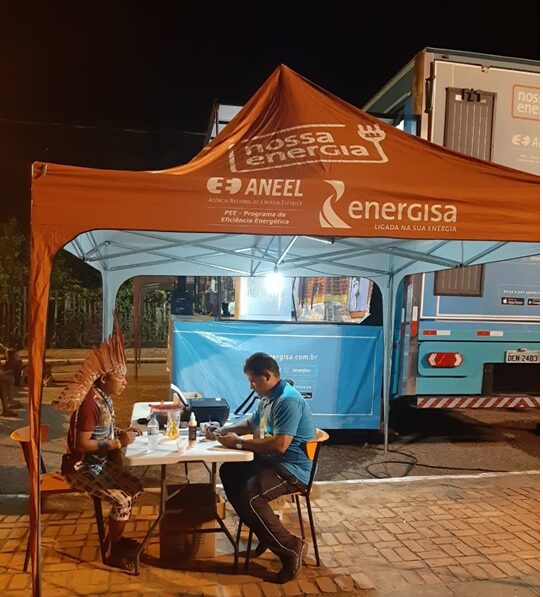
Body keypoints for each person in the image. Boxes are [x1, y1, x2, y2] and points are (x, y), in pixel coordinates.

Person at [206, 352, 316, 583]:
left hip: (291, 470)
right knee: (229, 472)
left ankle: (290, 548)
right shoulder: (267, 398)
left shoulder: (287, 400)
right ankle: (267, 532)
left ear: (267, 376)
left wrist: (238, 443)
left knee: (250, 494)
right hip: (271, 462)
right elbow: (252, 424)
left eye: (253, 381)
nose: (251, 386)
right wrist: (223, 430)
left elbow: (280, 444)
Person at [55, 323, 143, 571]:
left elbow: (103, 430)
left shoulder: (104, 398)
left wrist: (123, 432)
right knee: (123, 499)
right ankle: (113, 552)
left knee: (136, 486)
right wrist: (118, 442)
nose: (124, 382)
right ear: (103, 379)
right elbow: (82, 443)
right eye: (120, 377)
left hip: (98, 464)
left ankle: (116, 539)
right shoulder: (89, 404)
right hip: (81, 468)